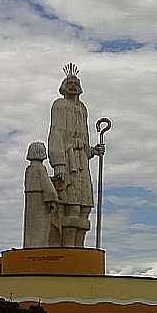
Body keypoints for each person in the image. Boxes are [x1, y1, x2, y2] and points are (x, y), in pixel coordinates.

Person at [48, 63, 104, 247]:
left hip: (82, 162)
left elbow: (84, 137)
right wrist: (59, 164)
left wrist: (93, 150)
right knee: (70, 205)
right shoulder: (59, 105)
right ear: (64, 86)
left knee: (84, 206)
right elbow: (56, 133)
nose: (73, 85)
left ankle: (79, 249)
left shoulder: (83, 108)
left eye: (76, 82)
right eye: (70, 82)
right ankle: (68, 248)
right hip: (68, 160)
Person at [23, 142, 59, 247]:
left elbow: (40, 181)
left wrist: (50, 179)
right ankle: (39, 246)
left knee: (31, 225)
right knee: (40, 225)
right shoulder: (40, 168)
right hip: (40, 199)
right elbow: (46, 185)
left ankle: (30, 245)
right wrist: (52, 199)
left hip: (30, 199)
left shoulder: (29, 169)